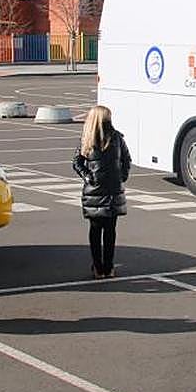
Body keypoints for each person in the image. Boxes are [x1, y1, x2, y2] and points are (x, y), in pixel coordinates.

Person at [72, 105, 132, 278]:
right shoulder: (97, 138)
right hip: (104, 189)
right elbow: (77, 162)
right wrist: (90, 177)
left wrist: (90, 177)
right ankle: (104, 267)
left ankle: (102, 267)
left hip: (102, 190)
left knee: (101, 230)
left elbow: (77, 163)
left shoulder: (108, 138)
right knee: (104, 230)